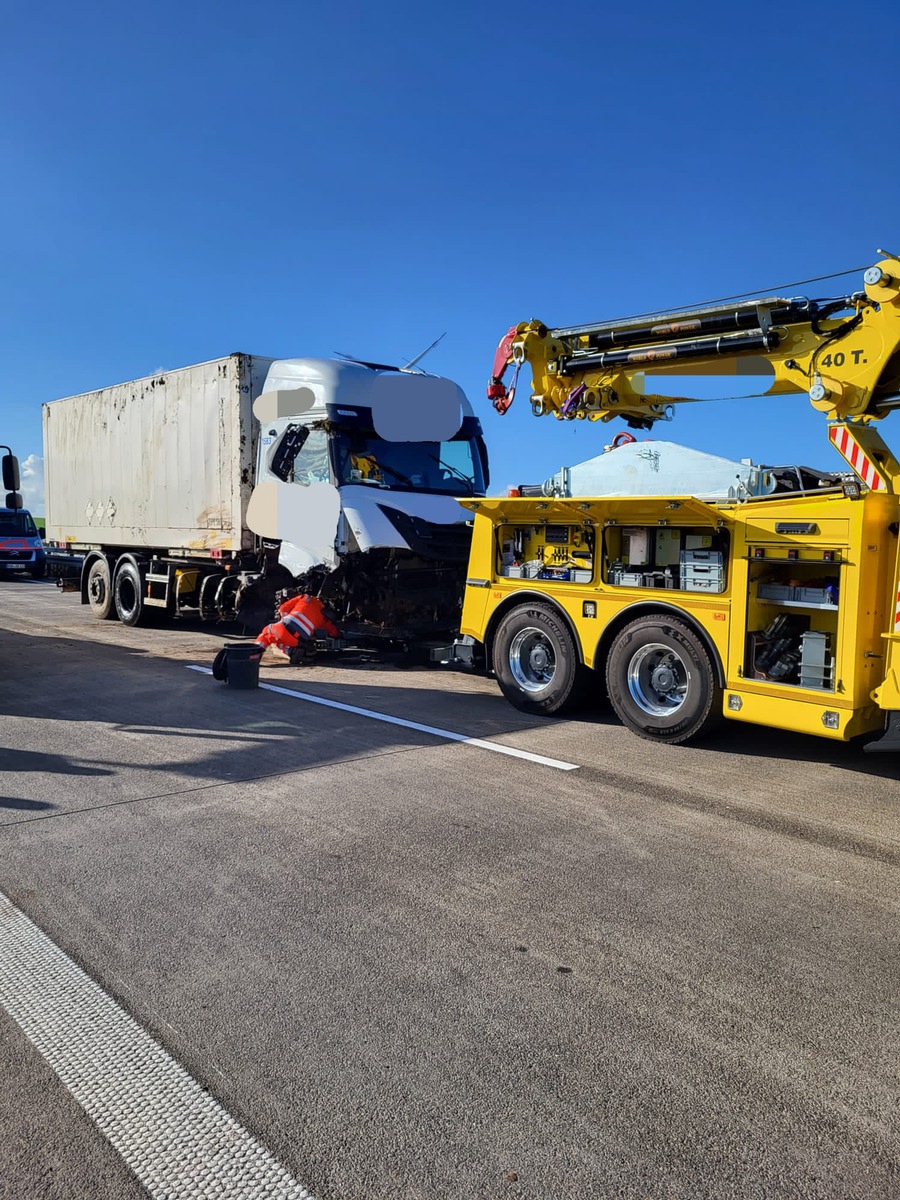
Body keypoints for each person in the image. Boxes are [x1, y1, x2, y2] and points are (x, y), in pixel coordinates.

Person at [255, 591, 341, 655]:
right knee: (280, 639)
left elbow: (283, 608)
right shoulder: (324, 617)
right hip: (300, 640)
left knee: (267, 632)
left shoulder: (306, 598)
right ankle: (291, 650)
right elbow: (333, 631)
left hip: (286, 627)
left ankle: (255, 652)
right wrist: (338, 635)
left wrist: (282, 620)